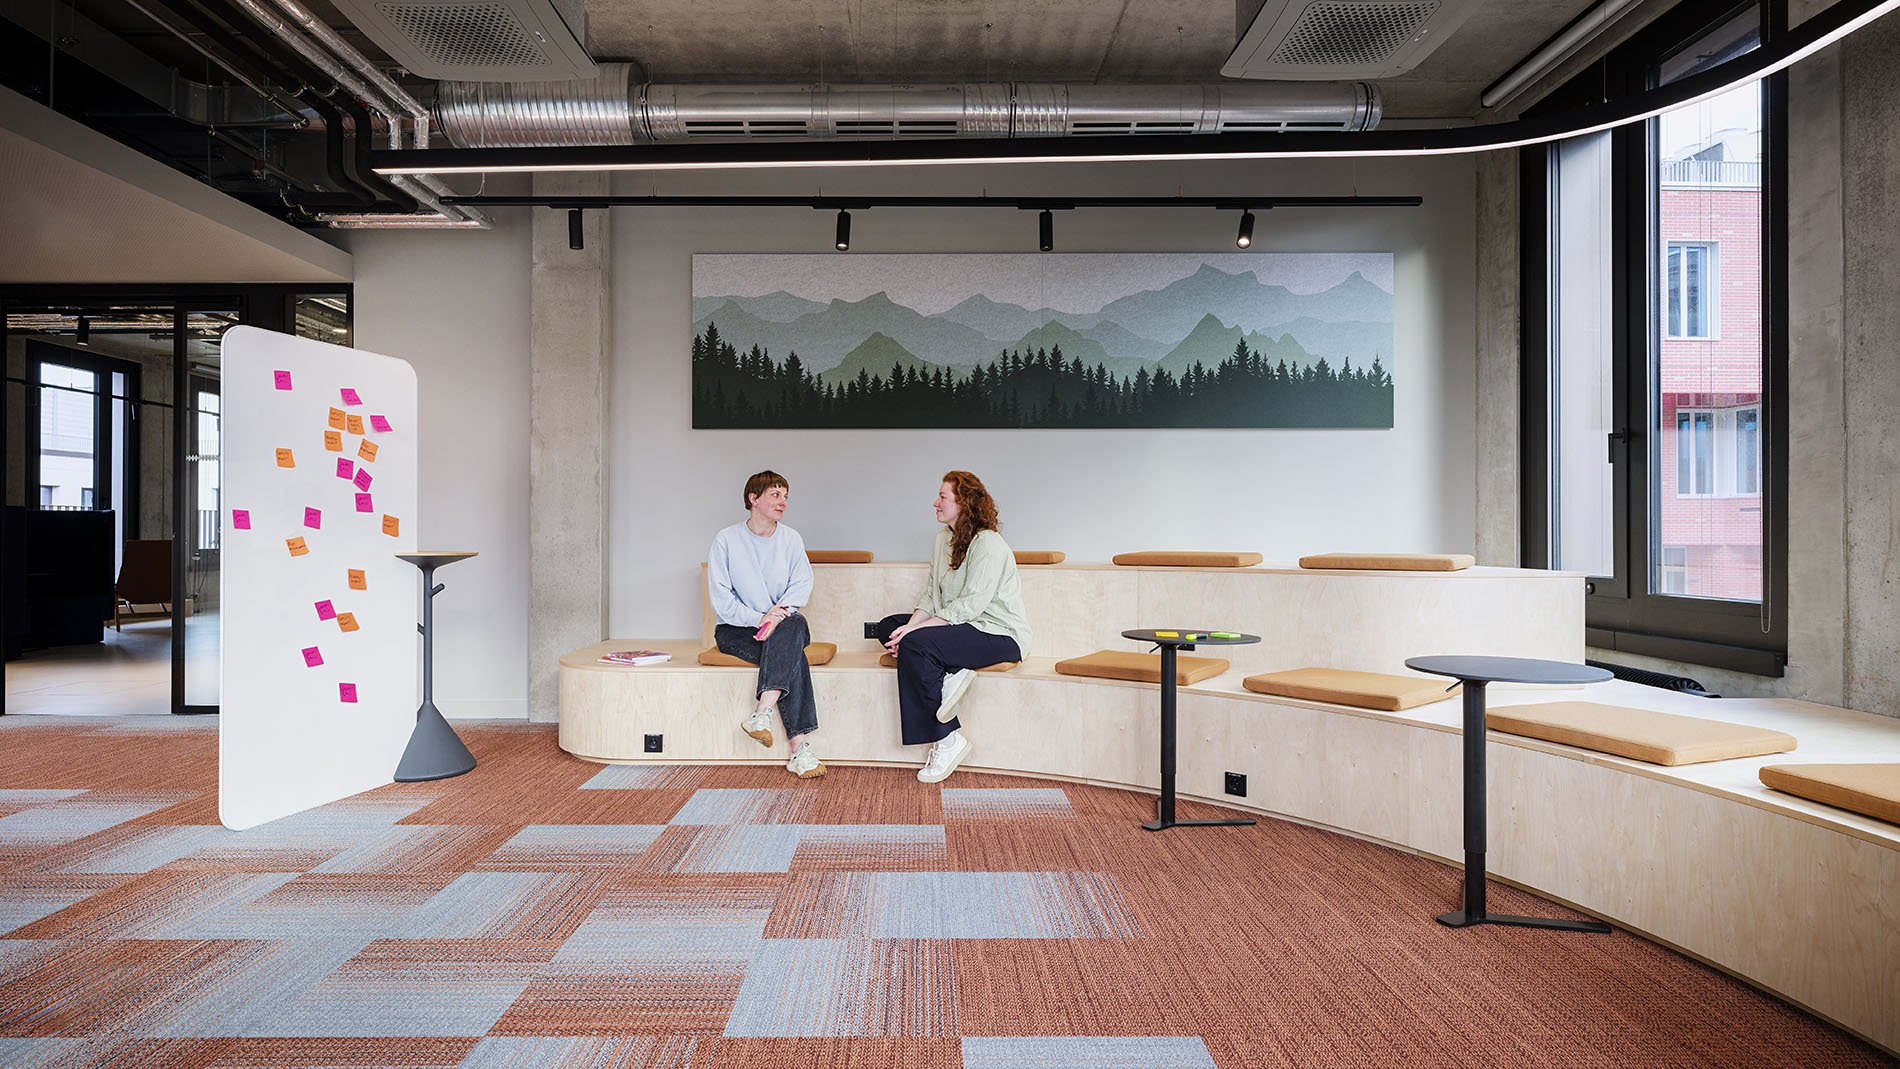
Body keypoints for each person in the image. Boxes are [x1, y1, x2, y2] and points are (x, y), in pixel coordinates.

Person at [876, 470, 1031, 783]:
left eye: (943, 497)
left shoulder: (989, 544)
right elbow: (932, 594)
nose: (935, 502)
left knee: (914, 644)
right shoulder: (943, 539)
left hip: (998, 633)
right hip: (961, 629)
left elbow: (971, 605)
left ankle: (947, 740)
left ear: (964, 503)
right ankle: (949, 673)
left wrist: (914, 634)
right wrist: (909, 626)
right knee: (889, 628)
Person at [707, 470, 823, 778]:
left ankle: (763, 713)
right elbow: (722, 601)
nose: (782, 501)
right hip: (737, 630)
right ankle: (799, 749)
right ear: (753, 499)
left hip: (781, 626)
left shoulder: (791, 539)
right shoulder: (726, 540)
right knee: (793, 655)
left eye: (786, 496)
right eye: (775, 494)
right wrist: (760, 619)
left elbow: (801, 585)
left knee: (795, 623)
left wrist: (776, 616)